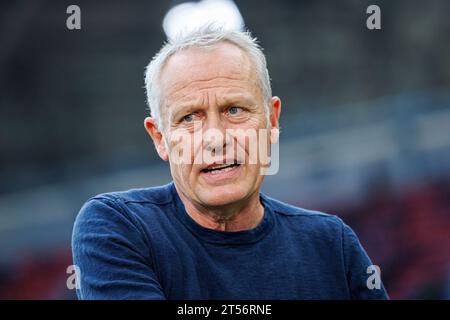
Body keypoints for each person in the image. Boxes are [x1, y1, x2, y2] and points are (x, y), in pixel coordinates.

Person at [72, 25, 388, 299]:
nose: (216, 137)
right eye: (189, 117)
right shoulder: (115, 227)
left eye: (234, 110)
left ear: (272, 119)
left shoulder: (331, 244)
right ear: (160, 138)